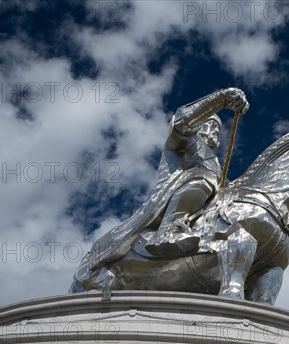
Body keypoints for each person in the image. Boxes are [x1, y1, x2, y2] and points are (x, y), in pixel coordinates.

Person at [85, 88, 249, 271]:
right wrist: (221, 99)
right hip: (173, 193)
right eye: (208, 125)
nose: (213, 132)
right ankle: (169, 230)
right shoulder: (186, 141)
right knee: (205, 180)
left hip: (204, 208)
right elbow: (182, 123)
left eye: (217, 130)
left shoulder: (214, 161)